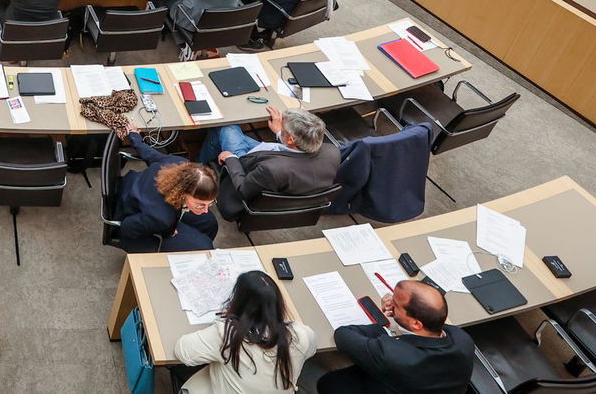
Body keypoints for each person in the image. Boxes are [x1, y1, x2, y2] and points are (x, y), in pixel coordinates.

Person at [318, 281, 476, 394]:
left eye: (395, 304)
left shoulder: (393, 353)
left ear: (416, 324)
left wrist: (383, 326)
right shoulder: (463, 340)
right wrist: (401, 314)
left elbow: (343, 335)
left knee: (328, 382)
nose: (390, 303)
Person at [173, 270, 315, 394]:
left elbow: (182, 351)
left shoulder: (228, 334)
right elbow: (312, 350)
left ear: (239, 302)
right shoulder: (301, 334)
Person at [202, 106, 340, 221]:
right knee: (220, 133)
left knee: (228, 126)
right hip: (276, 159)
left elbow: (243, 189)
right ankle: (200, 169)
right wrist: (280, 133)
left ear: (291, 140)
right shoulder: (332, 152)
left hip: (245, 170)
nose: (280, 124)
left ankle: (200, 175)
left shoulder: (271, 170)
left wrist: (231, 158)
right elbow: (293, 150)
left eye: (282, 125)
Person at [112, 133, 219, 253]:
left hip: (134, 188)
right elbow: (127, 227)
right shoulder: (161, 218)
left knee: (209, 223)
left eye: (210, 203)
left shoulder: (179, 164)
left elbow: (151, 155)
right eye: (200, 205)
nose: (205, 209)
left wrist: (135, 136)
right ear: (183, 193)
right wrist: (166, 231)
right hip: (133, 226)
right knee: (204, 246)